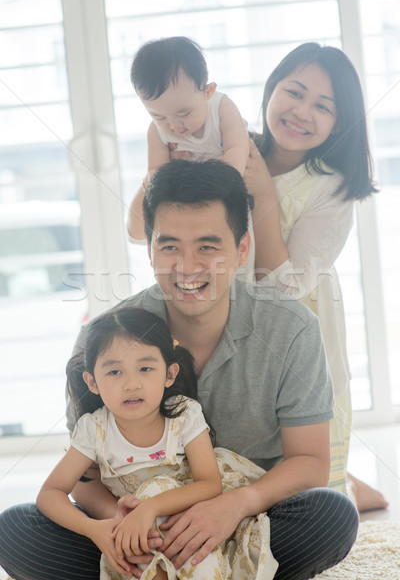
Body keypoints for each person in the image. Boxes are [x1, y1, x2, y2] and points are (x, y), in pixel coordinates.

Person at [0, 158, 359, 580]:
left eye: (208, 246)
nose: (187, 266)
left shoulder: (292, 329)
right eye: (169, 246)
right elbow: (86, 475)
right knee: (15, 529)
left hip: (247, 518)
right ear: (150, 249)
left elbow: (309, 460)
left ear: (241, 249)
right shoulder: (102, 342)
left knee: (332, 516)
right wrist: (122, 525)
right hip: (138, 526)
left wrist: (234, 505)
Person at [242, 42, 386, 510]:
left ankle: (348, 488)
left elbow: (286, 287)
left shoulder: (331, 185)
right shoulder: (235, 150)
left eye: (323, 106)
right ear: (271, 90)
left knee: (306, 480)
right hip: (230, 320)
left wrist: (262, 189)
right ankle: (351, 487)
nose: (302, 111)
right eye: (294, 92)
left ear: (339, 123)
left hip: (295, 329)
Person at [37, 307, 278, 580]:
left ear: (169, 374)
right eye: (115, 372)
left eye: (145, 368)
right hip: (136, 535)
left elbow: (210, 484)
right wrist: (96, 529)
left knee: (160, 494)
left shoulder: (185, 414)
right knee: (17, 527)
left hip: (192, 525)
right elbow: (50, 494)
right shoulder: (93, 429)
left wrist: (150, 507)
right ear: (92, 381)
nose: (131, 384)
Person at [126, 36, 249, 242]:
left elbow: (238, 149)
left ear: (208, 91)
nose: (174, 125)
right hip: (189, 204)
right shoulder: (156, 132)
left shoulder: (221, 108)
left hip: (229, 192)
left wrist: (223, 184)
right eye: (159, 116)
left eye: (184, 113)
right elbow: (156, 174)